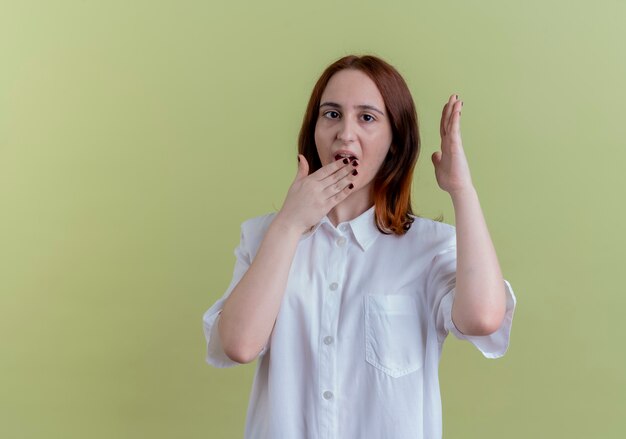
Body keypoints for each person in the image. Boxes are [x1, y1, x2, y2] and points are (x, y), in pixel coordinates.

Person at [202, 54, 517, 439]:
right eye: (331, 114)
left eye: (367, 117)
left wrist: (461, 190)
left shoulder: (429, 248)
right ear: (313, 128)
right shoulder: (264, 236)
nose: (345, 134)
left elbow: (483, 319)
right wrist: (289, 224)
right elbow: (238, 345)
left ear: (394, 142)